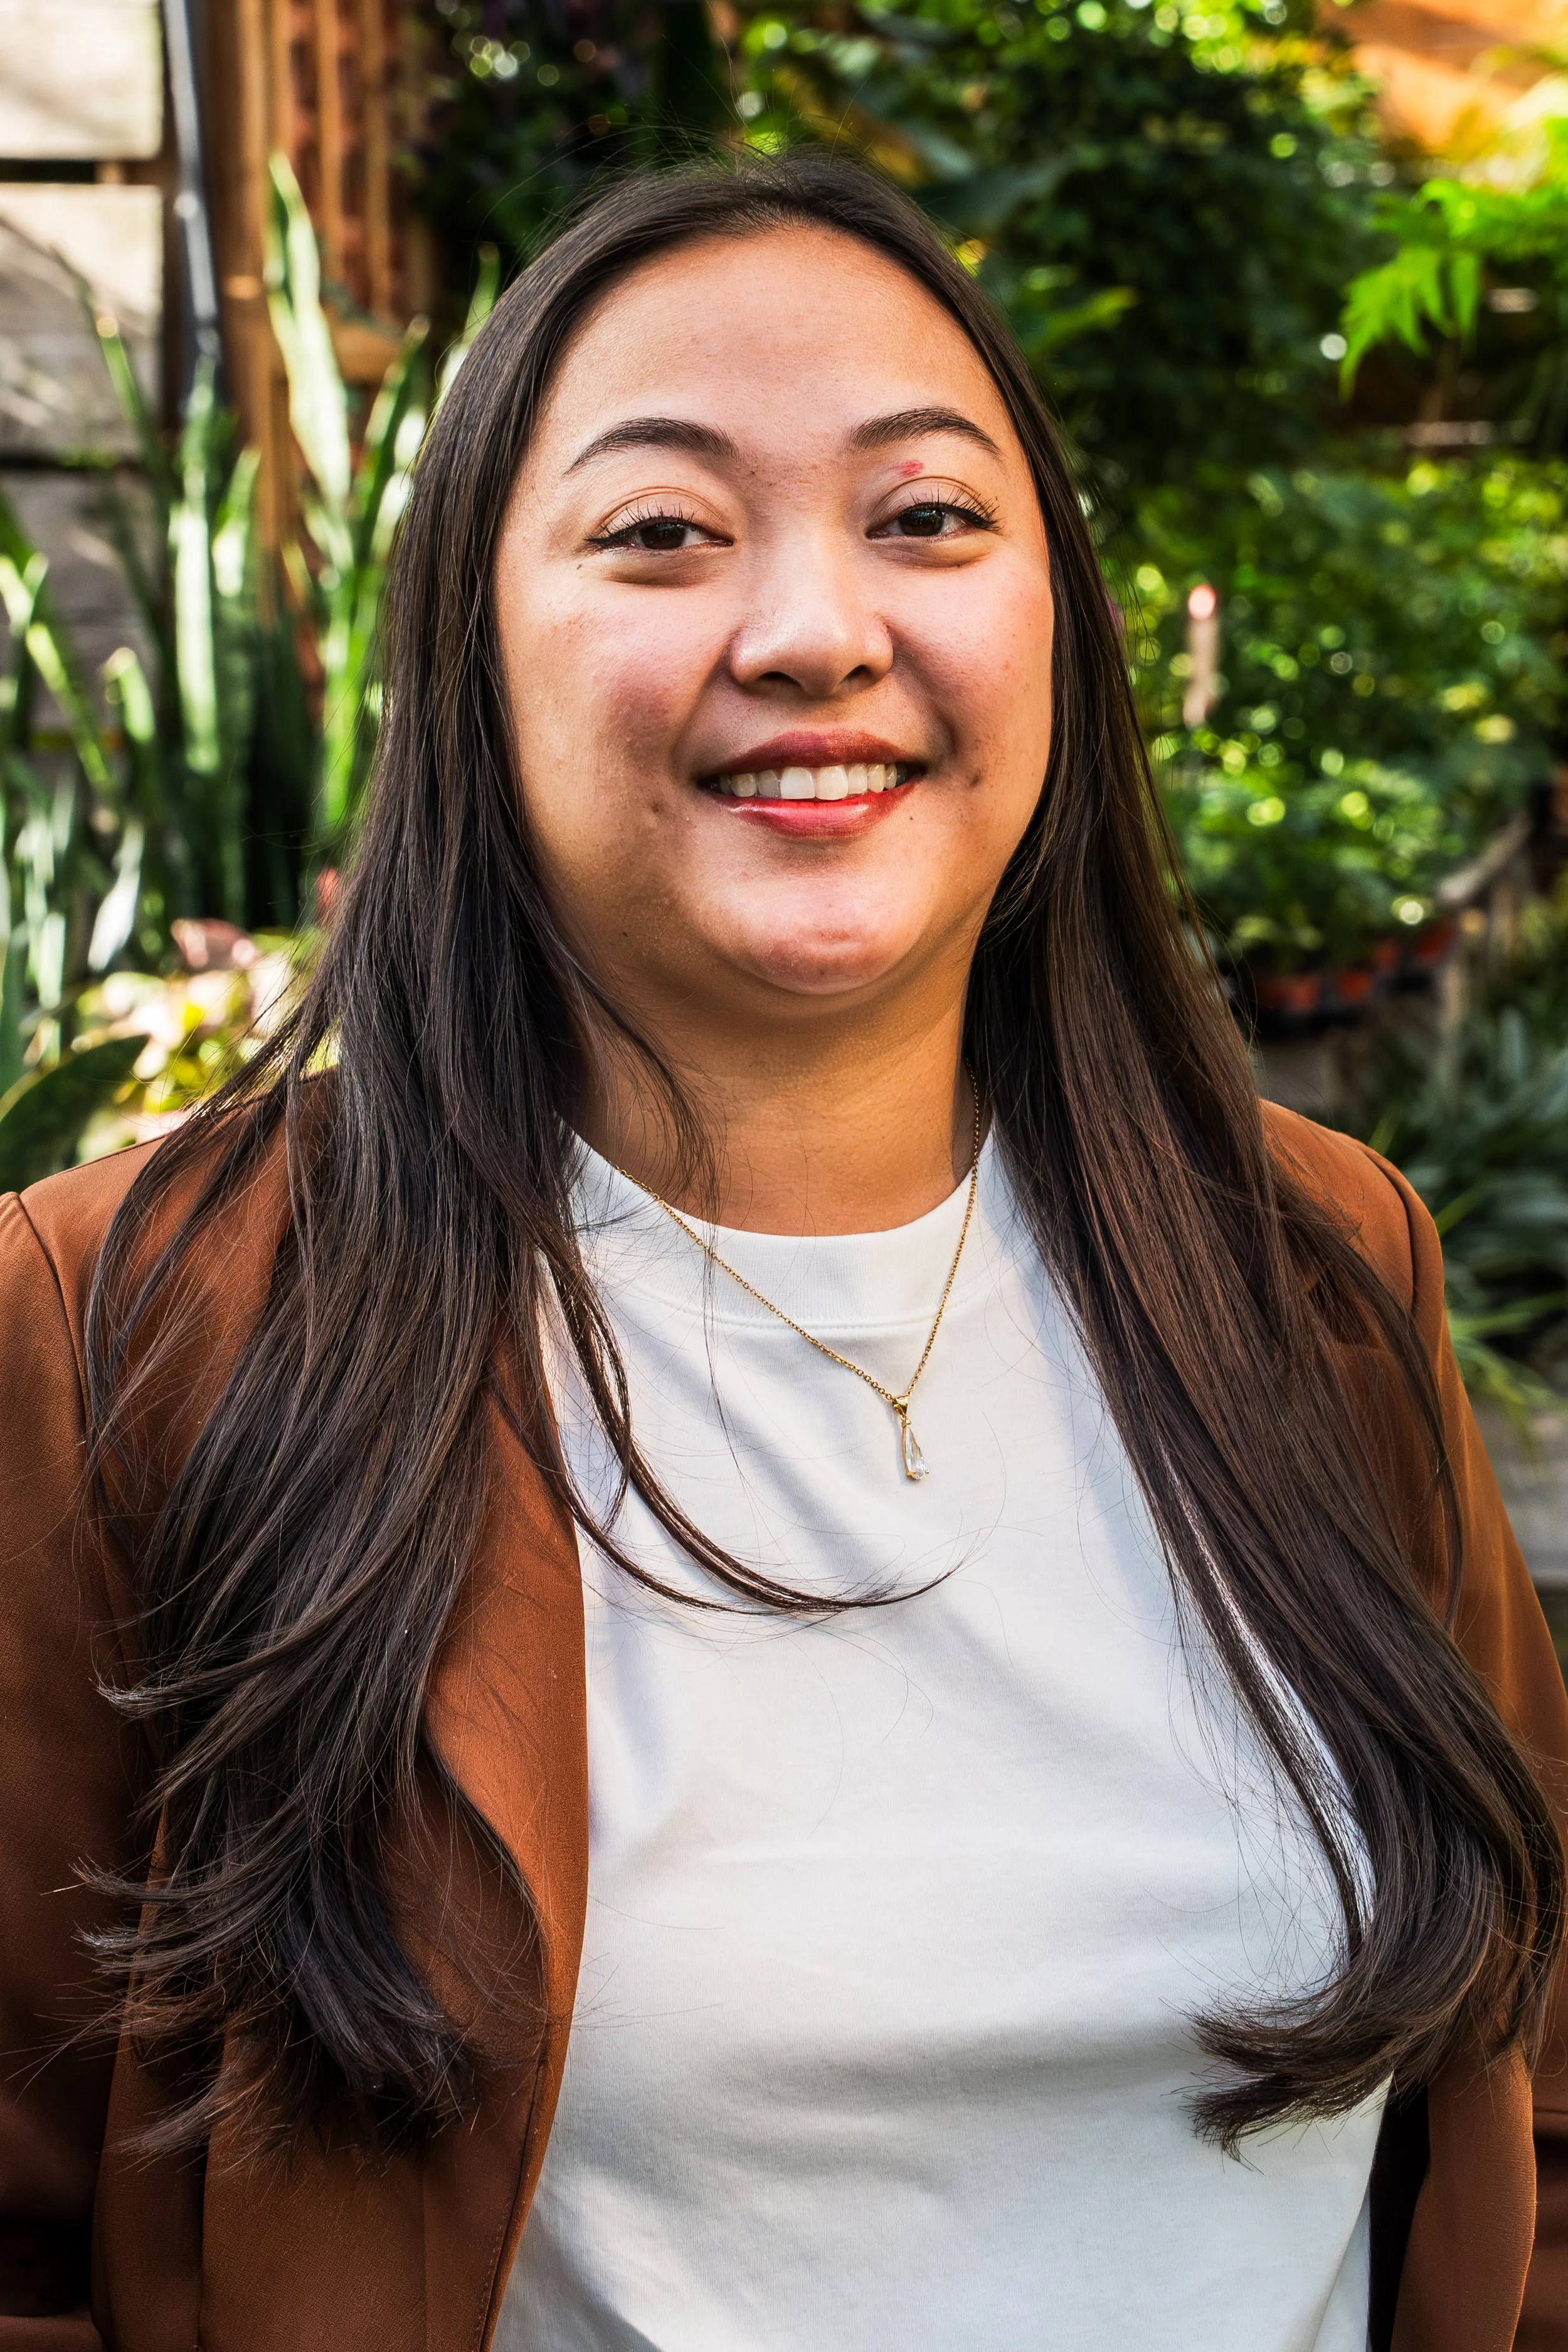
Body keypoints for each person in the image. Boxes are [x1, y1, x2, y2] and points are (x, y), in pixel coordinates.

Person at [1, 152, 1564, 2352]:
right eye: (661, 531)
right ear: (470, 646)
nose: (819, 627)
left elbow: (1529, 2090)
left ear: (1054, 624)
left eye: (925, 517)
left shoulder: (1311, 1268)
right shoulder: (138, 1326)